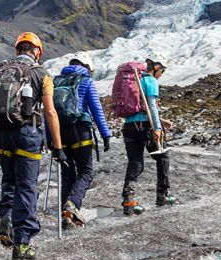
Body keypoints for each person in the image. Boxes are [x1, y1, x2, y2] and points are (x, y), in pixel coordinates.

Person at [0, 31, 64, 260]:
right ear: (38, 52)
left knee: (9, 179)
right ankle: (22, 243)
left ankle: (6, 218)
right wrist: (58, 145)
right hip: (26, 135)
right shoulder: (41, 74)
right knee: (26, 185)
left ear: (17, 50)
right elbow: (50, 111)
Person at [54, 57, 112, 228]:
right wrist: (105, 134)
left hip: (60, 133)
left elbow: (48, 111)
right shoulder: (86, 81)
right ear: (87, 67)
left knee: (67, 175)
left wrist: (50, 139)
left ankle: (66, 217)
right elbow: (96, 108)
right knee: (86, 172)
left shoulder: (56, 81)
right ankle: (71, 205)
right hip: (80, 131)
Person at [122, 52, 175, 214]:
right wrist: (158, 128)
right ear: (157, 67)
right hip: (146, 127)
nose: (161, 74)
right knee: (163, 157)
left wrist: (161, 120)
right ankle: (162, 195)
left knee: (135, 163)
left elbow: (140, 107)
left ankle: (129, 201)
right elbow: (151, 105)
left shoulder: (133, 81)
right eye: (162, 70)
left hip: (129, 126)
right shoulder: (150, 80)